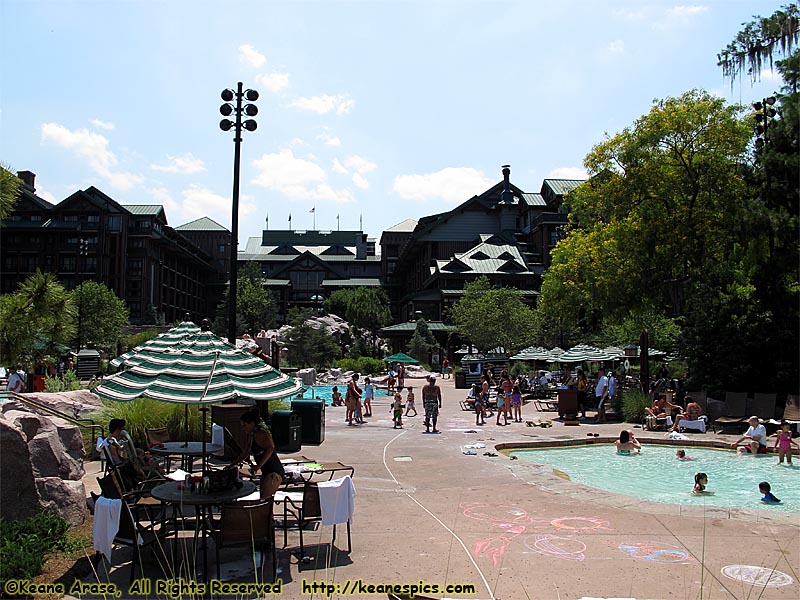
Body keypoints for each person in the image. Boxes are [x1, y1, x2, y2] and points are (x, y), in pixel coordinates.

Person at [227, 409, 284, 500]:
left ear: (252, 423)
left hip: (274, 472)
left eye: (245, 425)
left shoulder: (261, 433)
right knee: (263, 500)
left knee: (265, 501)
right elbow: (245, 452)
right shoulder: (251, 435)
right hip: (266, 471)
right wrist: (232, 464)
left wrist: (258, 466)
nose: (243, 428)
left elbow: (270, 448)